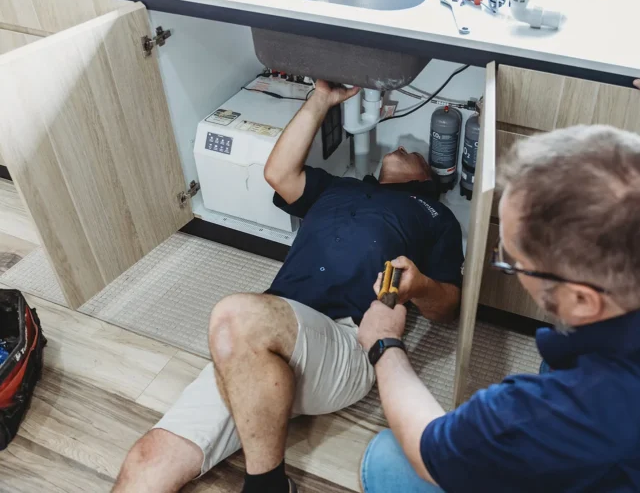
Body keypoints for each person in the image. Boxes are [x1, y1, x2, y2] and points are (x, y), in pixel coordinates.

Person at [358, 54, 640, 492]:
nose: (509, 266)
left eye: (512, 260)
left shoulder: (566, 411)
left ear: (583, 299)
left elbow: (429, 450)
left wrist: (385, 344)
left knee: (388, 459)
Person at [113, 82, 464, 493]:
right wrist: (321, 100)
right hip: (265, 337)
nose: (403, 147)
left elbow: (447, 308)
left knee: (234, 317)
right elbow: (278, 173)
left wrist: (419, 285)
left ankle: (268, 487)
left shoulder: (435, 215)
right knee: (146, 460)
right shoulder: (340, 187)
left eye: (414, 154)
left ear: (425, 180)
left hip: (346, 340)